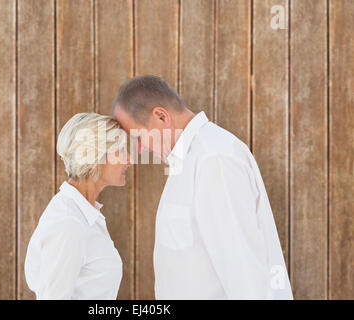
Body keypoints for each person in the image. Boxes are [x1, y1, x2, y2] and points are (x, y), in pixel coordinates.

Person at [112, 75, 293, 299]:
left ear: (161, 117)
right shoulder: (189, 160)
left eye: (137, 138)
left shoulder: (213, 159)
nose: (138, 150)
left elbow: (243, 269)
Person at [24, 113, 131, 299]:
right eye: (120, 151)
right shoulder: (68, 224)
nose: (129, 160)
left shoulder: (84, 214)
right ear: (95, 157)